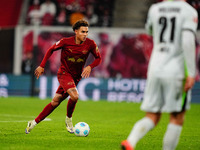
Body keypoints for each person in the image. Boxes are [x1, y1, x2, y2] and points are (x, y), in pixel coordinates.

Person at [121, 0, 198, 150]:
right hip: (176, 71)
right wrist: (192, 73)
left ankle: (130, 141)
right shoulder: (189, 11)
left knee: (152, 116)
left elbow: (150, 31)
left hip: (155, 68)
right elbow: (188, 41)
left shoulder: (155, 9)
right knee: (176, 117)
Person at [25, 19, 102, 134]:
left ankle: (33, 122)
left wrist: (90, 67)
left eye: (86, 32)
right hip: (64, 74)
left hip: (76, 77)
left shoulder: (90, 44)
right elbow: (51, 49)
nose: (85, 34)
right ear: (76, 31)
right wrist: (41, 66)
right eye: (82, 32)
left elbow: (99, 58)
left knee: (56, 101)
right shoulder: (66, 42)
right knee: (75, 96)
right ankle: (69, 119)